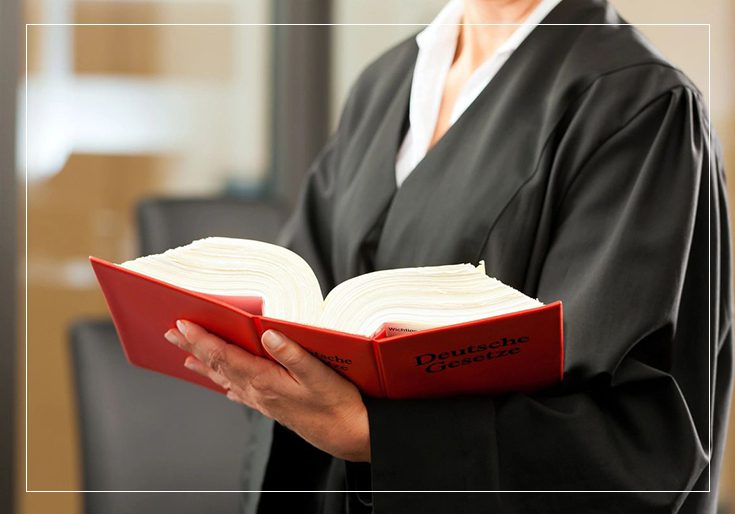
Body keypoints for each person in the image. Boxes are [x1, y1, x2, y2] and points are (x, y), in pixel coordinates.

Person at [162, 0, 732, 512]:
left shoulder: (641, 107)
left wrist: (376, 436)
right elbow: (302, 302)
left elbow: (639, 445)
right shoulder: (384, 85)